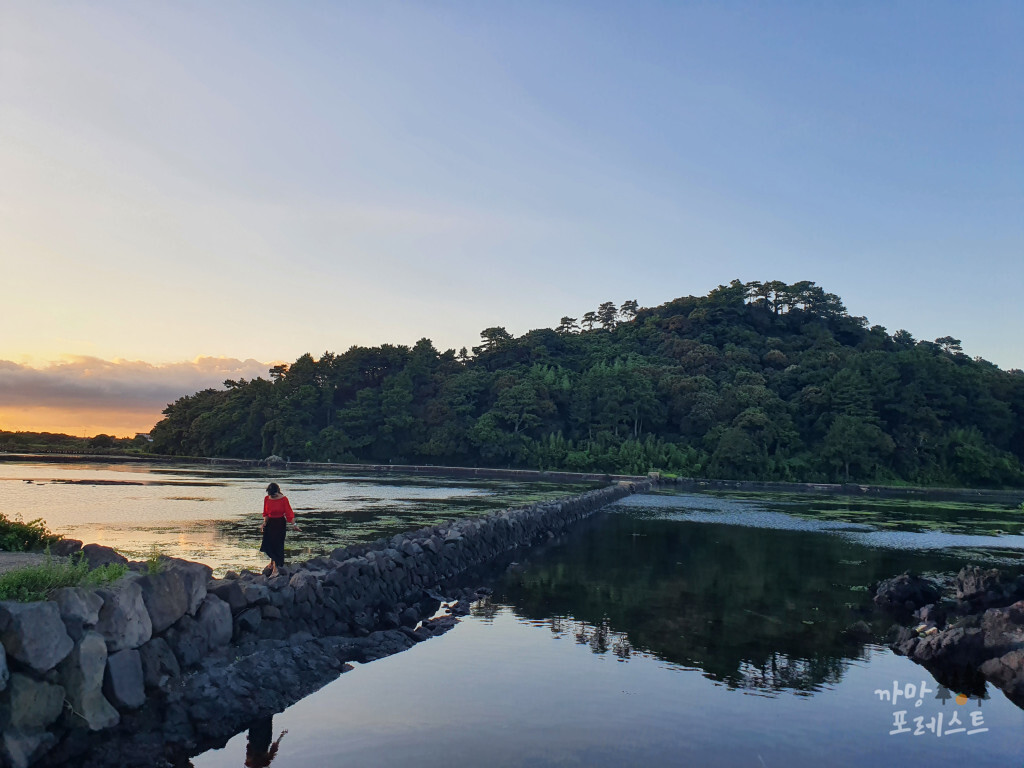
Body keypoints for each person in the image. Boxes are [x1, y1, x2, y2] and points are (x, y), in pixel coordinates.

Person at [260, 482, 300, 577]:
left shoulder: (283, 500)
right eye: (270, 494)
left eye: (273, 494)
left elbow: (289, 513)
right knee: (269, 544)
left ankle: (275, 569)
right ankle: (272, 563)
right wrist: (264, 523)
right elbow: (266, 513)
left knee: (278, 545)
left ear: (277, 491)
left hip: (280, 524)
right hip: (270, 524)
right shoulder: (267, 499)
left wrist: (294, 524)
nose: (271, 496)